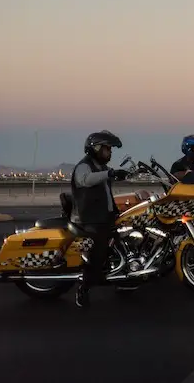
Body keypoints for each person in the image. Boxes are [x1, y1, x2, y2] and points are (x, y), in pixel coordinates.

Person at [70, 130, 129, 308]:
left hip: (104, 216)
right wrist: (110, 174)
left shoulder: (101, 166)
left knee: (126, 238)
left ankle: (126, 279)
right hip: (89, 218)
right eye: (107, 149)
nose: (110, 153)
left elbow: (106, 180)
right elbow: (86, 180)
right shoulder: (84, 166)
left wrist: (122, 174)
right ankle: (84, 288)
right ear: (95, 148)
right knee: (99, 249)